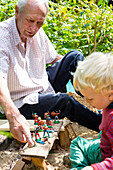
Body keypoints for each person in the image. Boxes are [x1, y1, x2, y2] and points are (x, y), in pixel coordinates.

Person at [0, 0, 102, 147]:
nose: (33, 28)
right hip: (23, 102)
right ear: (17, 12)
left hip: (41, 85)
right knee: (65, 102)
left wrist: (87, 74)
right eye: (30, 21)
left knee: (75, 57)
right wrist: (13, 115)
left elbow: (55, 58)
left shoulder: (37, 31)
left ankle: (100, 99)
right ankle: (104, 126)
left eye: (39, 23)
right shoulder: (2, 37)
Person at [70, 52, 113, 170]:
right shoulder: (108, 102)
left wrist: (94, 168)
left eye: (90, 98)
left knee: (78, 143)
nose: (86, 101)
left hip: (105, 156)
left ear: (110, 94)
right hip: (105, 147)